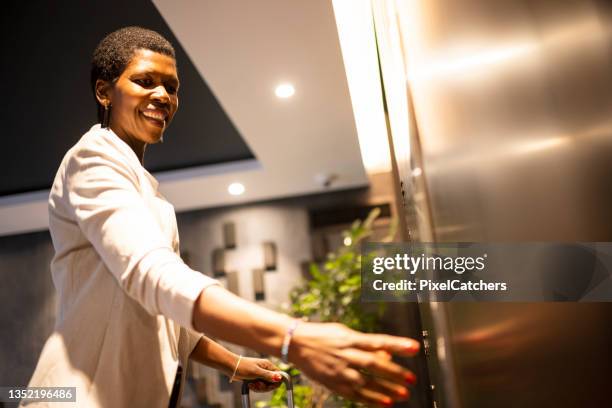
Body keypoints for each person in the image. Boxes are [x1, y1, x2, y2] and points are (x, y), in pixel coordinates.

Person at [24, 27, 419, 408]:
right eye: (145, 81)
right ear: (104, 92)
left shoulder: (139, 182)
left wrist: (236, 364)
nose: (163, 95)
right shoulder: (92, 159)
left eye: (172, 86)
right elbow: (154, 275)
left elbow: (168, 319)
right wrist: (292, 338)